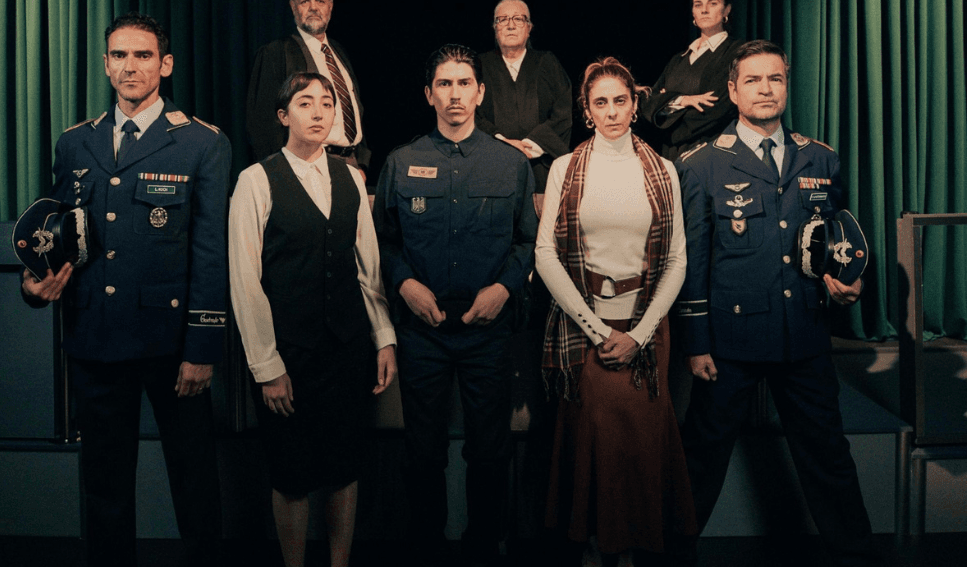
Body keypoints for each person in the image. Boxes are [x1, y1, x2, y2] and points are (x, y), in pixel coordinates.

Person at [21, 12, 230, 566]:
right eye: (119, 55)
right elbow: (53, 235)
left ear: (165, 64)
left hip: (172, 345)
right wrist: (33, 282)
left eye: (142, 55)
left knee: (194, 483)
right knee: (105, 488)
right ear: (105, 64)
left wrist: (202, 348)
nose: (129, 66)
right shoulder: (75, 143)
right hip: (95, 338)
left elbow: (211, 252)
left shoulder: (201, 143)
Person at [675, 40, 879, 565]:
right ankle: (668, 555)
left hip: (803, 334)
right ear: (732, 90)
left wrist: (847, 283)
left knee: (829, 457)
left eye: (775, 79)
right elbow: (693, 260)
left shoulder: (821, 158)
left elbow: (837, 240)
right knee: (700, 458)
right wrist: (696, 343)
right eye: (753, 80)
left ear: (786, 85)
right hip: (730, 341)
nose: (765, 89)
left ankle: (855, 556)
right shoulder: (702, 165)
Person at [373, 44, 537, 566]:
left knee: (490, 452)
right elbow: (382, 242)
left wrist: (504, 288)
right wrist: (404, 284)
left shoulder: (511, 163)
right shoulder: (401, 162)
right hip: (423, 329)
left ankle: (483, 548)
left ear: (480, 92)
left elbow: (528, 242)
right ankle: (426, 548)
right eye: (444, 84)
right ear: (429, 94)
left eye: (464, 83)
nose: (455, 94)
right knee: (422, 453)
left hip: (488, 329)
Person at [229, 71, 397, 567]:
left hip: (346, 350)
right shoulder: (256, 180)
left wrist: (384, 338)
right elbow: (245, 280)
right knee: (292, 474)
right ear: (283, 116)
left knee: (345, 468)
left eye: (327, 103)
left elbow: (368, 269)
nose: (319, 112)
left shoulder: (351, 178)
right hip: (288, 355)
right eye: (305, 103)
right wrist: (267, 366)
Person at [537, 57, 696, 567]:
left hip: (646, 329)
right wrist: (598, 331)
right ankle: (596, 548)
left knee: (643, 446)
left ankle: (635, 551)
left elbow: (677, 259)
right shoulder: (564, 167)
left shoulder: (663, 170)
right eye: (600, 102)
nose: (611, 111)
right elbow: (545, 255)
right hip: (586, 329)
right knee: (595, 441)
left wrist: (640, 335)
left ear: (634, 105)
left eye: (620, 101)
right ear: (587, 110)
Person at [246, 0, 369, 174]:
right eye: (305, 1)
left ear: (330, 6)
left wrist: (360, 164)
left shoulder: (339, 52)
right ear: (293, 7)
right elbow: (263, 127)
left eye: (320, 1)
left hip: (351, 167)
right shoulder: (275, 53)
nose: (313, 7)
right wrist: (283, 175)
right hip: (303, 168)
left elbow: (354, 111)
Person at [638, 0, 742, 161]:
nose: (704, 10)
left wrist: (665, 116)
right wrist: (683, 100)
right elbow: (648, 103)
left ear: (726, 10)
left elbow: (716, 109)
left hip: (712, 154)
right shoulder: (678, 59)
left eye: (713, 3)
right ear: (693, 12)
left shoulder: (736, 52)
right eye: (698, 5)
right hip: (670, 156)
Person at [477, 0, 573, 192]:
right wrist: (502, 144)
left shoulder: (547, 62)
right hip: (492, 170)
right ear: (495, 28)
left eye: (518, 19)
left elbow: (563, 113)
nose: (510, 25)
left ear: (529, 28)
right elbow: (470, 114)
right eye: (503, 19)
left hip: (542, 171)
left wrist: (529, 145)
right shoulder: (479, 66)